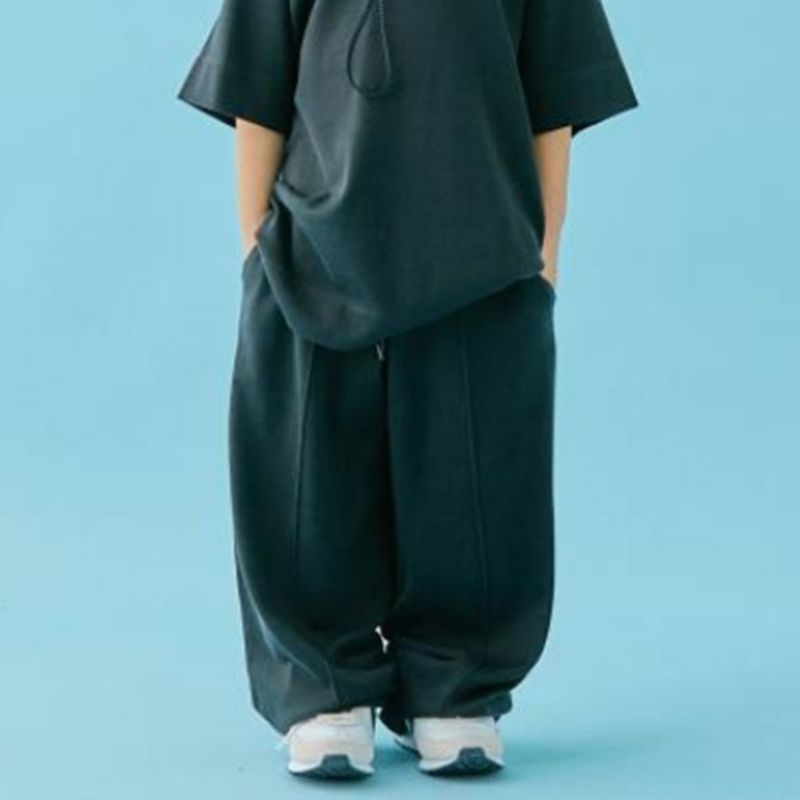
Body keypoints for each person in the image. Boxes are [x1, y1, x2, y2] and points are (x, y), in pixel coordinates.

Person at [176, 0, 638, 781]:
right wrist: (258, 245)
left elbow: (555, 93)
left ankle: (456, 688)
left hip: (485, 249)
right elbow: (255, 88)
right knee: (306, 474)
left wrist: (543, 250)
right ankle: (323, 689)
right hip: (315, 246)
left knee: (475, 477)